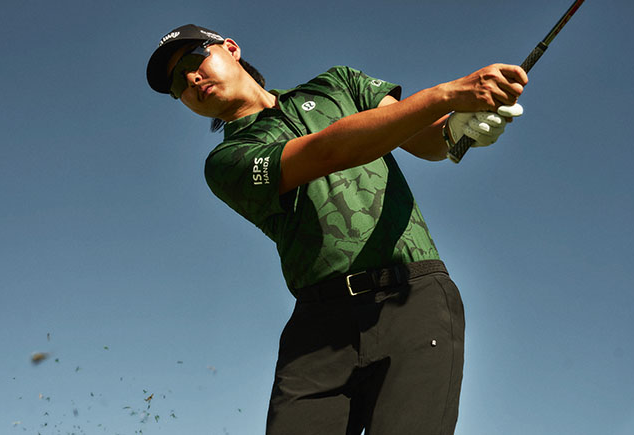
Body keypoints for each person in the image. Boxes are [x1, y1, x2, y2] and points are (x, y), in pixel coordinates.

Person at [146, 24, 527, 434]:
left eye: (193, 60)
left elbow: (424, 140)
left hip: (414, 298)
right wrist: (446, 96)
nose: (190, 79)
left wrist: (456, 128)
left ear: (231, 49)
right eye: (176, 84)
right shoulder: (227, 161)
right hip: (319, 327)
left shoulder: (338, 84)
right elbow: (327, 150)